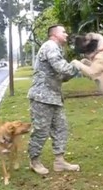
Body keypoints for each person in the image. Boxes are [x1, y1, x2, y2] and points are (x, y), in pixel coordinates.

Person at [27, 25, 80, 175]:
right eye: (64, 31)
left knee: (61, 128)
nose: (67, 34)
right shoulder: (50, 46)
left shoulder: (57, 49)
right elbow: (62, 68)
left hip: (54, 98)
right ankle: (34, 161)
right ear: (55, 34)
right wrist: (76, 65)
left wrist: (76, 68)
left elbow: (63, 76)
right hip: (42, 97)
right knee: (41, 131)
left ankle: (59, 161)